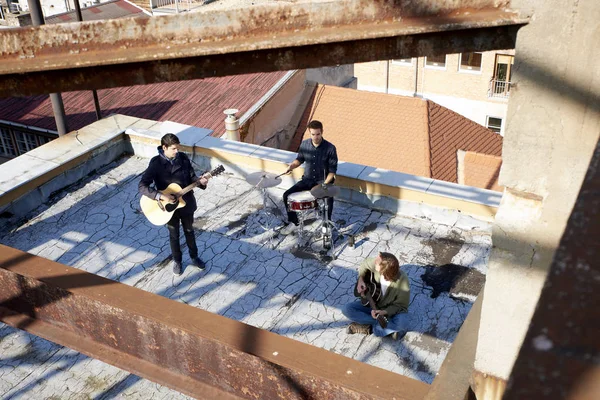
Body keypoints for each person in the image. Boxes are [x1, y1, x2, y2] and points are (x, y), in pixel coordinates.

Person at [139, 133, 208, 276]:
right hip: (167, 208)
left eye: (178, 148)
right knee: (174, 235)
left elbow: (191, 177)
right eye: (174, 149)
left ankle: (194, 257)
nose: (177, 151)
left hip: (186, 203)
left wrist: (200, 182)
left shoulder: (182, 158)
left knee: (189, 232)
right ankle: (177, 261)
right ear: (164, 147)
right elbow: (142, 186)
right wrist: (161, 195)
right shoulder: (156, 163)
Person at [281, 120, 338, 235]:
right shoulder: (304, 144)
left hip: (322, 180)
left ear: (322, 132)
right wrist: (291, 166)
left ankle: (327, 223)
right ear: (309, 133)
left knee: (329, 199)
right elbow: (299, 159)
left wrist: (325, 184)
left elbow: (332, 171)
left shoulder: (330, 148)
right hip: (307, 179)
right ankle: (294, 222)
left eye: (318, 134)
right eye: (313, 134)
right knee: (286, 195)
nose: (316, 137)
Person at [342, 252, 412, 340]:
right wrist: (360, 279)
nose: (374, 262)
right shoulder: (376, 263)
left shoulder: (403, 281)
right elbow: (364, 264)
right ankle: (385, 328)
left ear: (383, 271)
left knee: (403, 323)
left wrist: (384, 312)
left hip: (390, 310)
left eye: (377, 263)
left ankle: (369, 328)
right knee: (346, 309)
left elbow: (401, 306)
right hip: (373, 304)